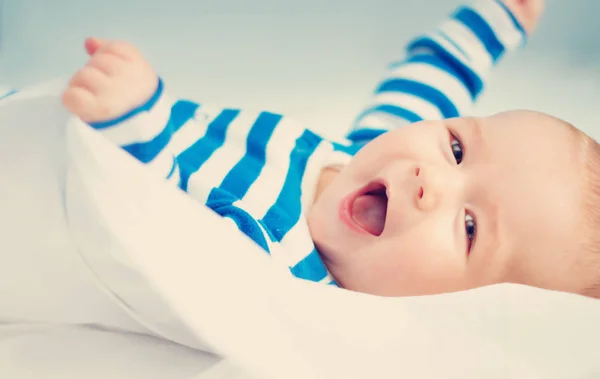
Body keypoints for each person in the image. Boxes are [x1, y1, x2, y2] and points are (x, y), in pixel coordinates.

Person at [59, 0, 600, 299]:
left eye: (469, 228)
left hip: (77, 168)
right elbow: (436, 76)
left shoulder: (284, 277)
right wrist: (500, 18)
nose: (431, 179)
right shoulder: (366, 153)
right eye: (458, 148)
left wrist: (133, 123)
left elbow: (156, 240)